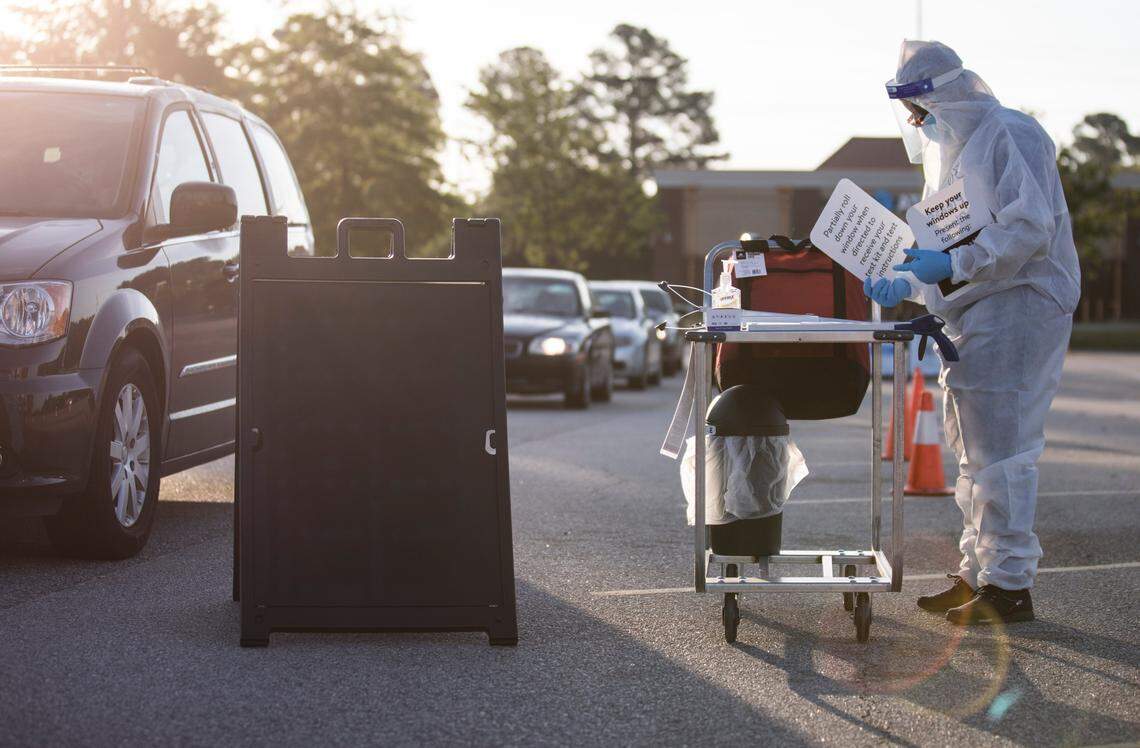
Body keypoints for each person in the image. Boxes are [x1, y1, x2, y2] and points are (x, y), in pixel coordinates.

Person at [864, 40, 1080, 625]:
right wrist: (906, 282)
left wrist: (950, 267)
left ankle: (1009, 588)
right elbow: (947, 252)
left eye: (921, 111)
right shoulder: (954, 159)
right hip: (977, 315)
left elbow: (1025, 229)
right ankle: (977, 574)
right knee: (974, 454)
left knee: (1003, 456)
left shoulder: (1010, 134)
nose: (918, 125)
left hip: (1020, 310)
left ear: (944, 96)